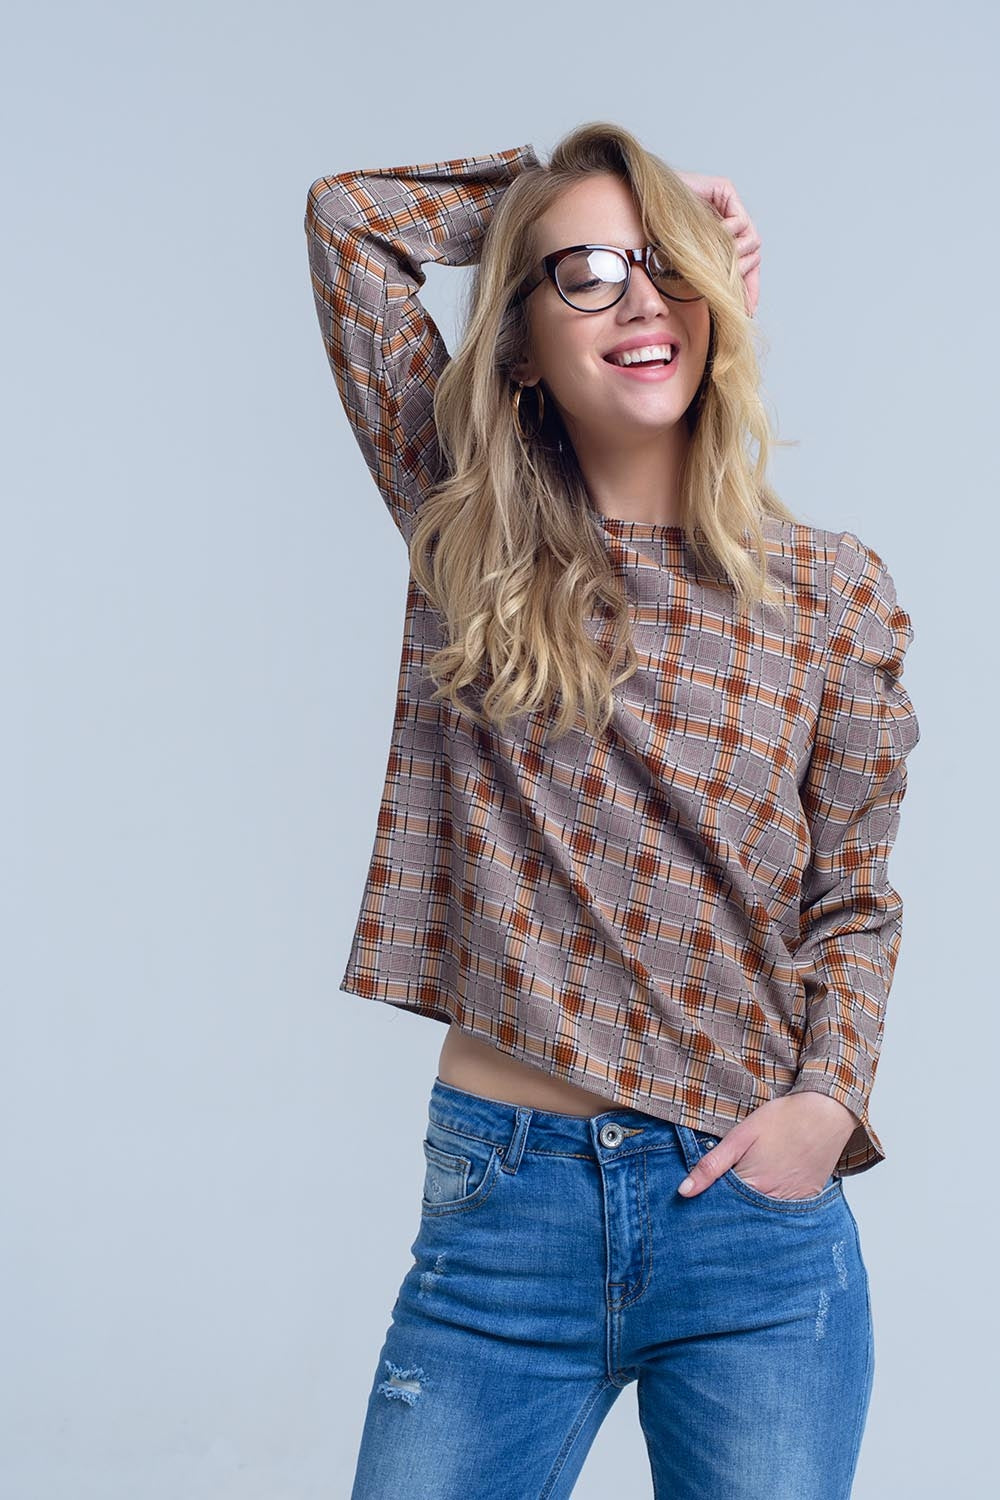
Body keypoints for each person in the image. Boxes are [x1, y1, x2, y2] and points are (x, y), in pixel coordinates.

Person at [303, 120, 920, 1499]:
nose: (642, 301)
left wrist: (829, 1102)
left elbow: (855, 898)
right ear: (519, 343)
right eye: (587, 276)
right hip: (505, 1210)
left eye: (669, 268)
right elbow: (349, 221)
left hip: (750, 1219)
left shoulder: (834, 594)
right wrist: (552, 198)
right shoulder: (474, 540)